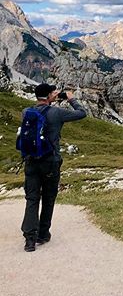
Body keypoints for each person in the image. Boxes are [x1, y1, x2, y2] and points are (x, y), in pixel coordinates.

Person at [20, 83, 87, 252]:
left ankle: (29, 239)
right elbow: (82, 114)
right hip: (51, 162)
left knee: (32, 198)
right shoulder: (56, 113)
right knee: (49, 198)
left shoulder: (26, 112)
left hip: (31, 162)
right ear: (50, 95)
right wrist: (71, 99)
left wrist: (51, 99)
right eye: (52, 92)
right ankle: (43, 234)